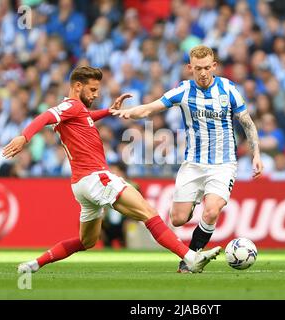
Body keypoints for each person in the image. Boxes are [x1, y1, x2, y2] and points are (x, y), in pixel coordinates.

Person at [3, 66, 220, 274]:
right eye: (93, 90)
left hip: (80, 184)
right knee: (149, 213)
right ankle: (190, 257)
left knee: (86, 241)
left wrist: (109, 110)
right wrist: (25, 137)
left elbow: (86, 117)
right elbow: (46, 116)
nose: (97, 94)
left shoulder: (77, 112)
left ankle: (34, 264)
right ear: (78, 87)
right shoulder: (71, 106)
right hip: (96, 177)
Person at [112, 45, 263, 273]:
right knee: (178, 219)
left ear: (214, 66)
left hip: (223, 164)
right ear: (189, 68)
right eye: (198, 68)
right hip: (193, 164)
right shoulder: (183, 91)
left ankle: (189, 260)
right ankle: (191, 205)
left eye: (207, 68)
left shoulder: (228, 89)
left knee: (212, 211)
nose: (203, 73)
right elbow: (150, 109)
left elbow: (247, 122)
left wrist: (256, 154)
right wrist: (126, 112)